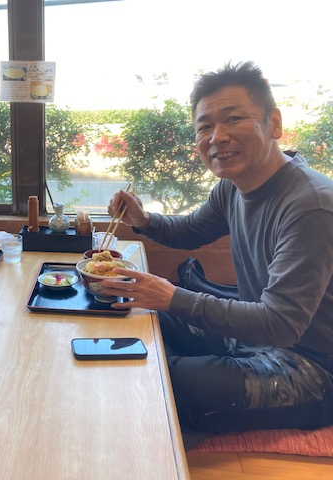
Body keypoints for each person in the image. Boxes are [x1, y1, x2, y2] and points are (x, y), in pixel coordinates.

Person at [102, 62, 333, 443]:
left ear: (274, 124)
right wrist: (142, 219)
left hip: (313, 365)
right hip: (253, 335)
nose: (217, 137)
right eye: (204, 127)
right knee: (142, 314)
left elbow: (282, 323)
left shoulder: (312, 206)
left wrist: (172, 296)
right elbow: (191, 231)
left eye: (233, 119)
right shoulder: (232, 187)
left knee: (166, 381)